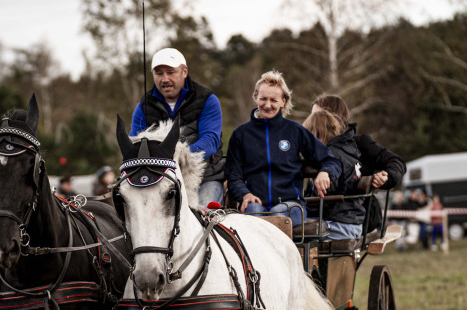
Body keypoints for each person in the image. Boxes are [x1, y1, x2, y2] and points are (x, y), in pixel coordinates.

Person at [225, 71, 339, 225]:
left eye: (274, 100)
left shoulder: (295, 131)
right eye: (263, 99)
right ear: (256, 97)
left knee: (276, 215)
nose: (268, 105)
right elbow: (233, 176)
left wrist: (325, 172)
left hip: (291, 205)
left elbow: (331, 160)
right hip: (256, 205)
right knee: (253, 212)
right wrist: (245, 194)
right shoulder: (240, 134)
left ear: (283, 101)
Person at [130, 47, 225, 208]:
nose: (164, 78)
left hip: (205, 179)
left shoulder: (207, 100)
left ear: (184, 72)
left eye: (170, 72)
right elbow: (135, 145)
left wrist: (175, 155)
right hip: (159, 181)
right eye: (159, 73)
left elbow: (210, 142)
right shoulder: (144, 106)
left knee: (202, 216)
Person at [302, 109, 364, 239]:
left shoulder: (331, 156)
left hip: (338, 226)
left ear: (315, 134)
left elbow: (324, 196)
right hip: (354, 223)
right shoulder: (348, 151)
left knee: (287, 232)